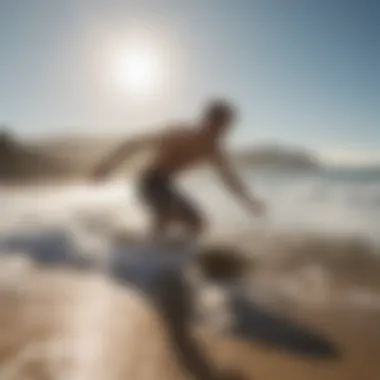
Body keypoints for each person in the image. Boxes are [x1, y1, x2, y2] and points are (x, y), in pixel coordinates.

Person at [91, 99, 266, 241]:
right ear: (206, 121)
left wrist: (250, 202)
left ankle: (174, 254)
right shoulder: (179, 133)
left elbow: (230, 180)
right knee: (168, 213)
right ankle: (149, 250)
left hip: (166, 184)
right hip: (149, 181)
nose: (221, 132)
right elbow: (135, 143)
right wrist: (107, 166)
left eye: (226, 127)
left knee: (198, 224)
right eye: (218, 125)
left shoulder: (214, 150)